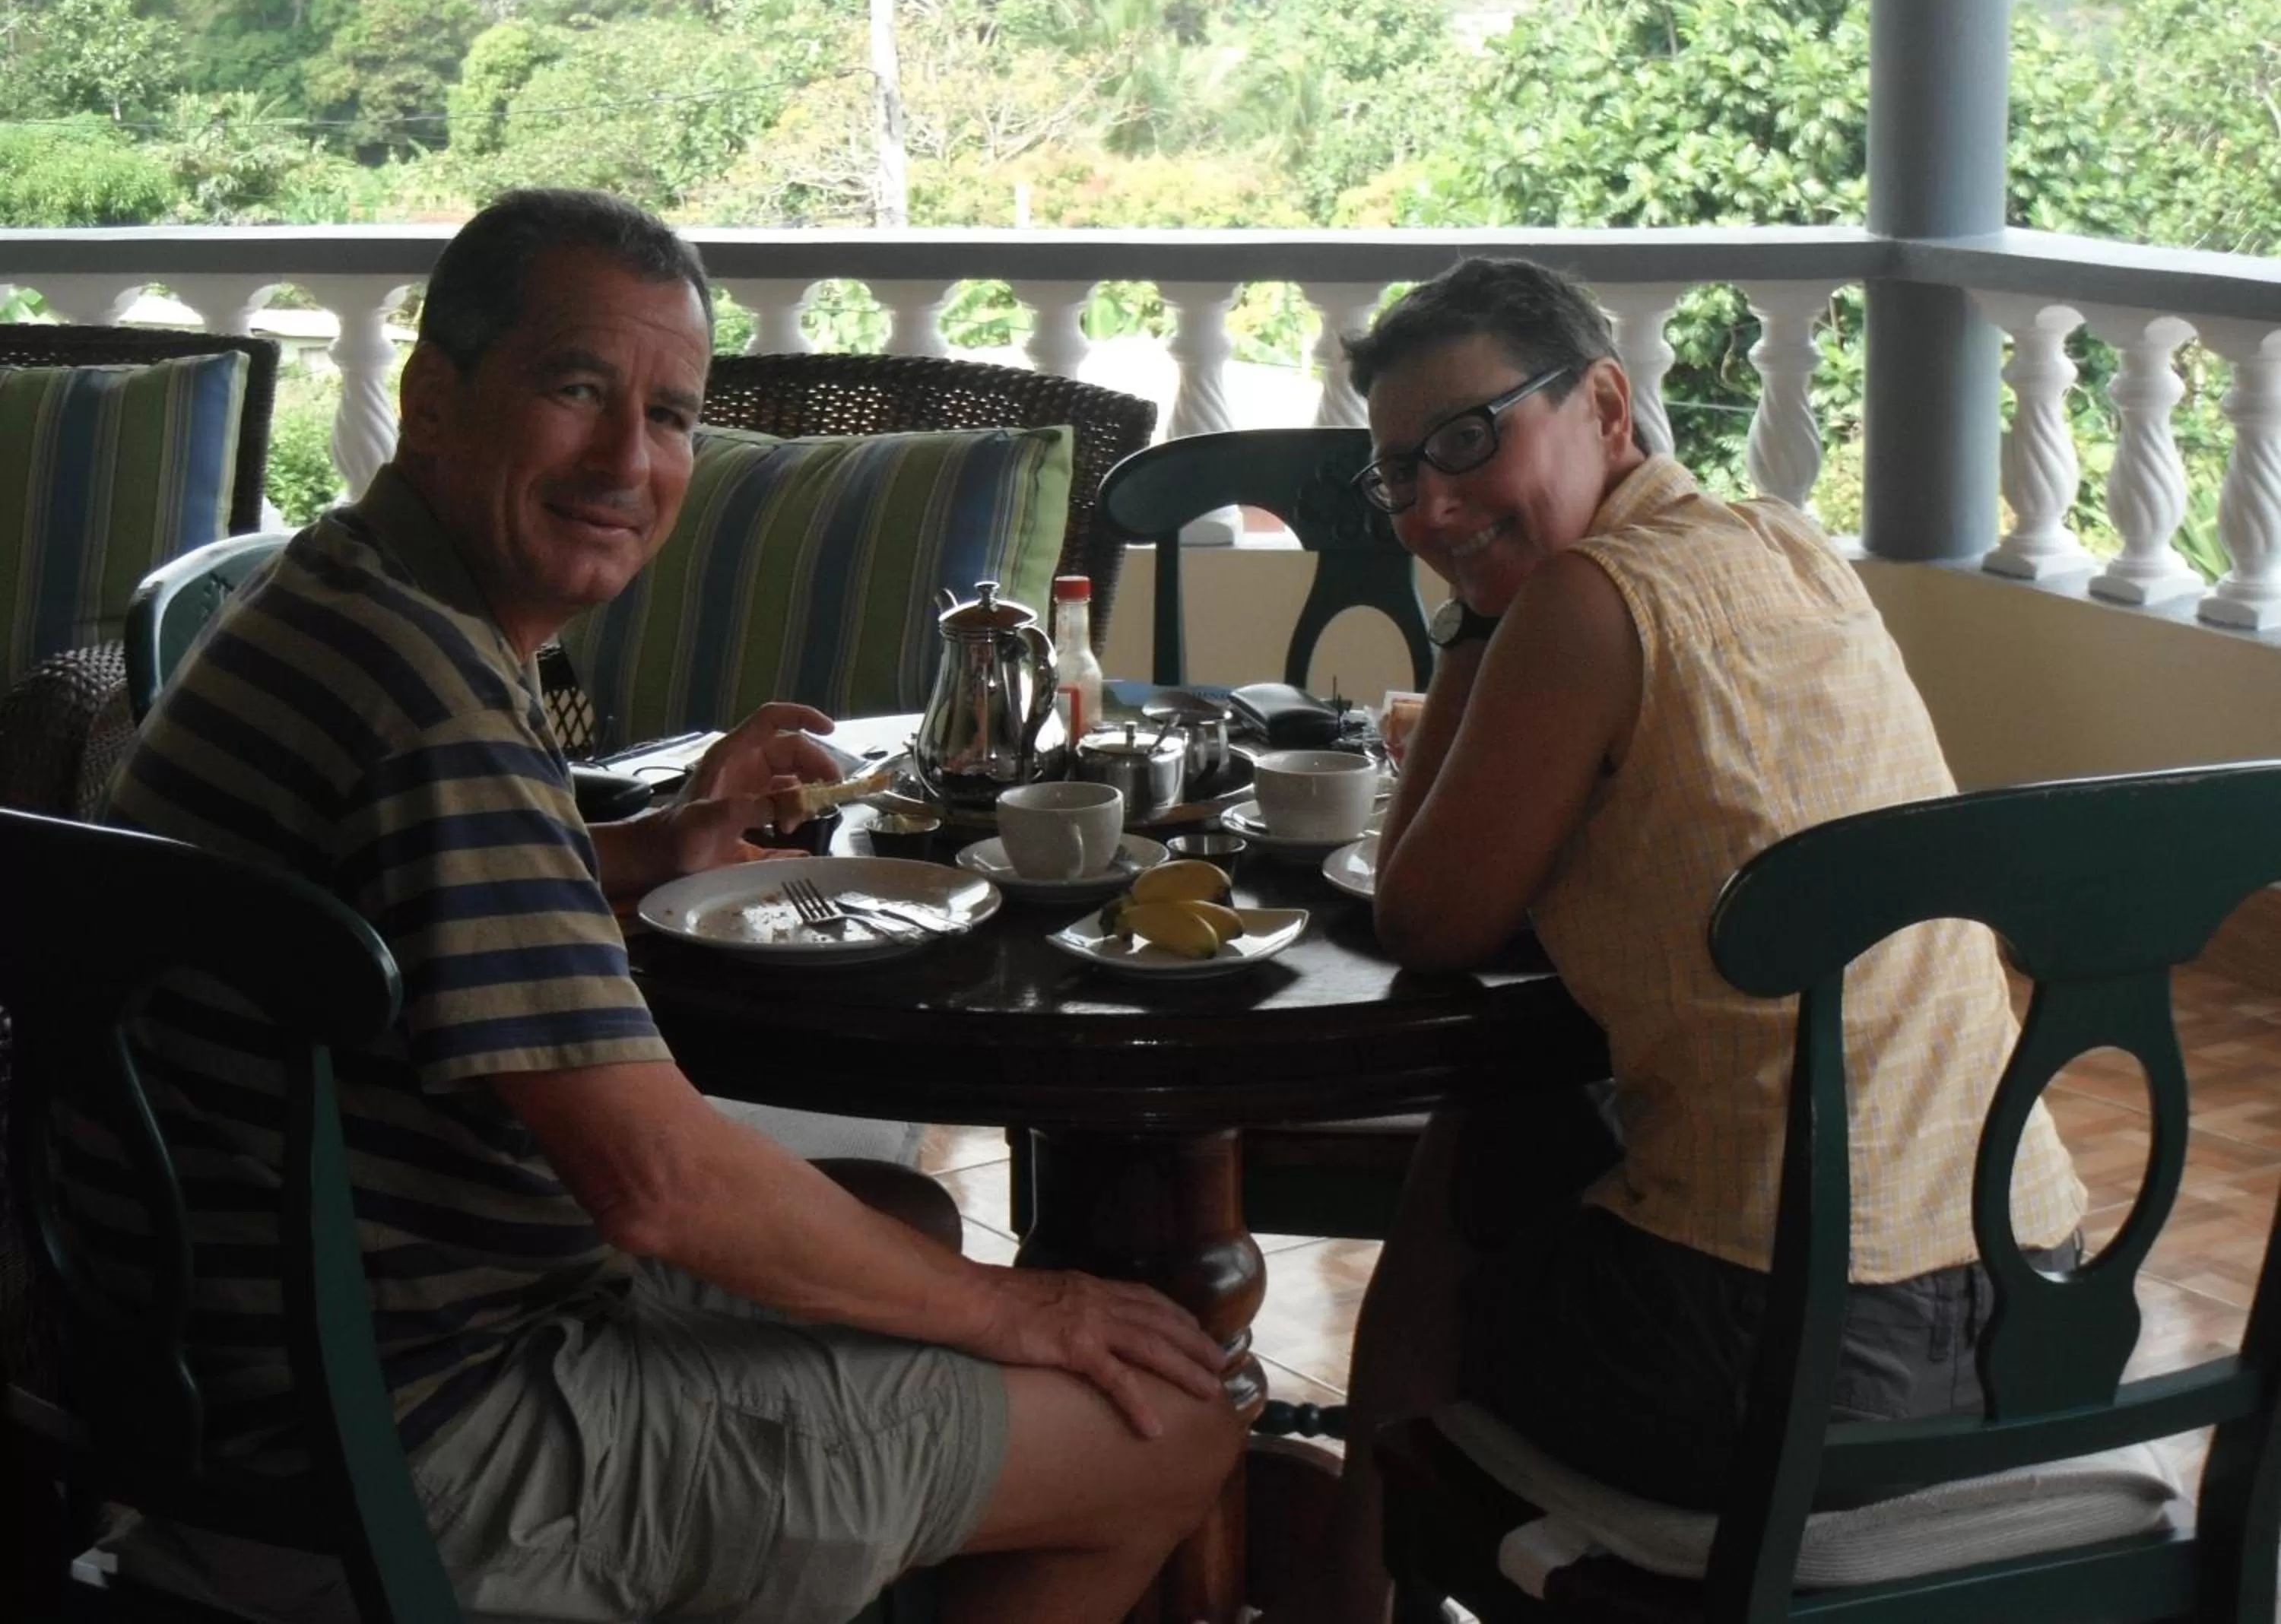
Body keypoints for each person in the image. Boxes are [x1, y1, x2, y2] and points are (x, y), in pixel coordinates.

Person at [102, 187, 1245, 1624]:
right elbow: (658, 1183)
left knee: (897, 1214)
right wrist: (1043, 1308)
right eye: (578, 389)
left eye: (670, 416)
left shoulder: (338, 600)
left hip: (224, 1374)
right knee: (1168, 1426)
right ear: (433, 398)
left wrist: (646, 851)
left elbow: (387, 912)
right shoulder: (433, 705)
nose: (625, 460)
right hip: (407, 1443)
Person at [1275, 256, 2087, 1623]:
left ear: (1604, 403)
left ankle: (1355, 1580)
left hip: (1791, 1365)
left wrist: (1475, 616)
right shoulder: (1782, 538)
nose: (1434, 501)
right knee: (1536, 1136)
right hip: (2042, 1301)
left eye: (1469, 440)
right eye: (1400, 475)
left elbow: (1425, 912)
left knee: (1473, 1172)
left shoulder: (1583, 603)